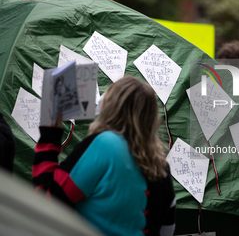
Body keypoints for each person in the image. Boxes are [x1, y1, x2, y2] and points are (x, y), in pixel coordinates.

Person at [33, 75, 176, 236]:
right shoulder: (162, 167)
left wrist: (50, 132)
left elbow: (47, 200)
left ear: (111, 106)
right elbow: (167, 230)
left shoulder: (105, 144)